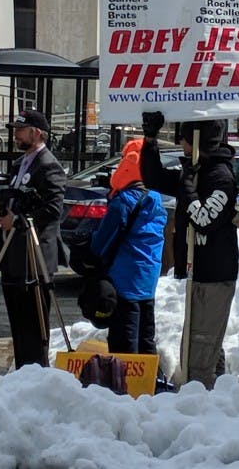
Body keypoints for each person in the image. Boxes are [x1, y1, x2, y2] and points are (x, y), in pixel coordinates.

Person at [139, 113, 238, 388]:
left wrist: (191, 191)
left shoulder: (221, 177)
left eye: (183, 139)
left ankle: (197, 401)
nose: (180, 144)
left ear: (197, 141)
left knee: (199, 348)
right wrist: (150, 140)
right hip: (198, 272)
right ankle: (216, 392)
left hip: (215, 274)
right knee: (203, 342)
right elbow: (153, 178)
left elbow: (205, 220)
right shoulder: (194, 171)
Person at [0, 109, 66, 368]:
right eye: (16, 130)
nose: (16, 135)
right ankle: (22, 368)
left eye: (21, 130)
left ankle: (35, 370)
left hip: (35, 255)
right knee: (18, 322)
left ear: (37, 133)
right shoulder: (19, 163)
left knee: (34, 324)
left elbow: (53, 210)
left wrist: (18, 220)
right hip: (13, 253)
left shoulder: (48, 164)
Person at [88, 138, 167, 355]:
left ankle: (126, 383)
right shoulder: (155, 198)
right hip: (147, 278)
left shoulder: (125, 200)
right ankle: (148, 381)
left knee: (124, 338)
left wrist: (90, 254)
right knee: (145, 335)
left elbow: (102, 241)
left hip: (124, 277)